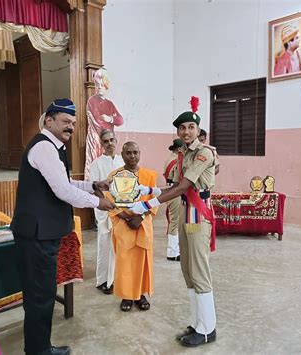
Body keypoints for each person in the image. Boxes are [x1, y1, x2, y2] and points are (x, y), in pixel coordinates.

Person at [11, 99, 115, 355]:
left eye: (73, 123)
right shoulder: (44, 148)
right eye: (65, 122)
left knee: (41, 294)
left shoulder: (53, 147)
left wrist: (92, 185)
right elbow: (62, 190)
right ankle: (38, 350)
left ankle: (39, 347)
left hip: (42, 234)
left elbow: (64, 182)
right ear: (49, 120)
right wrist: (97, 202)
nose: (70, 127)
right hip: (37, 236)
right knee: (40, 297)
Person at [128, 96, 217, 347]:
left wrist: (146, 205)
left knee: (199, 272)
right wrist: (146, 190)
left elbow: (185, 187)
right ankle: (198, 323)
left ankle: (208, 328)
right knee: (188, 271)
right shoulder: (183, 156)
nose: (186, 131)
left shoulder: (203, 154)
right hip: (188, 214)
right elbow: (172, 186)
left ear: (198, 130)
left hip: (199, 216)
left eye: (190, 127)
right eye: (182, 128)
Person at [108, 141, 159, 312]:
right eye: (128, 153)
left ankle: (141, 294)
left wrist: (141, 217)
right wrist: (126, 218)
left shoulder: (150, 175)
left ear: (140, 154)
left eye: (135, 152)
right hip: (124, 225)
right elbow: (110, 201)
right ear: (122, 155)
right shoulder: (115, 175)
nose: (132, 156)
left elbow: (155, 200)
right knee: (125, 261)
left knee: (143, 261)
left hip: (143, 225)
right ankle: (127, 296)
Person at [89, 129, 124, 294]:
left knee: (119, 246)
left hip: (121, 209)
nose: (109, 143)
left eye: (112, 140)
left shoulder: (122, 161)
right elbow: (94, 188)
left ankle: (115, 279)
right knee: (104, 245)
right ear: (101, 144)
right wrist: (106, 204)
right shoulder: (96, 164)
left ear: (116, 141)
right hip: (104, 209)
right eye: (106, 141)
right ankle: (103, 280)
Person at [84, 68, 124, 180]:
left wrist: (110, 119)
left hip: (107, 136)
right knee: (96, 167)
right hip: (96, 138)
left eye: (102, 84)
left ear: (106, 86)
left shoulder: (109, 103)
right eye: (97, 85)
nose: (99, 87)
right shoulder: (92, 101)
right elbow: (97, 120)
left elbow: (120, 120)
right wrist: (107, 127)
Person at [163, 138, 183, 261]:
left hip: (172, 190)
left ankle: (175, 250)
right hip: (175, 190)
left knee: (175, 221)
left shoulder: (171, 158)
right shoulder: (175, 161)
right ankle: (172, 252)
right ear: (179, 149)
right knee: (175, 221)